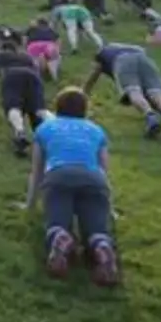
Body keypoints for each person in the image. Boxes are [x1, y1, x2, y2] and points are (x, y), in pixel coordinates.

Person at [24, 88, 120, 286]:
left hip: (59, 177)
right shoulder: (96, 130)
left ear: (57, 107)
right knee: (97, 230)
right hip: (93, 180)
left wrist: (30, 204)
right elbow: (104, 171)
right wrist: (110, 208)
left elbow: (37, 171)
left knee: (57, 224)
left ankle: (61, 238)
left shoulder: (45, 129)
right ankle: (101, 245)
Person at [0, 37, 52, 157]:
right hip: (33, 78)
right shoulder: (26, 56)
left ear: (2, 48)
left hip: (11, 75)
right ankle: (56, 128)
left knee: (13, 107)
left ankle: (20, 132)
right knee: (38, 110)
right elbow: (37, 74)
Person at [82, 44, 161, 140]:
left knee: (134, 92)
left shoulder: (102, 54)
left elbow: (92, 77)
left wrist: (83, 94)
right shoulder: (132, 47)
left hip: (123, 61)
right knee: (157, 96)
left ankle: (151, 119)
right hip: (145, 59)